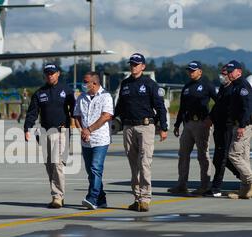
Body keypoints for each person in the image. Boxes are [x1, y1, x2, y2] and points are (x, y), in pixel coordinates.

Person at [114, 53, 168, 212]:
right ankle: (137, 198)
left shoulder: (150, 84)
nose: (133, 66)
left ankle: (145, 198)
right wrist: (110, 119)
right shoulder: (125, 84)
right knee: (134, 165)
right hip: (128, 127)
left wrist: (163, 127)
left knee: (144, 163)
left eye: (137, 64)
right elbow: (119, 107)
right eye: (131, 64)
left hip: (145, 127)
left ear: (143, 66)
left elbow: (160, 107)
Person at [24, 64, 75, 208]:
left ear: (58, 73)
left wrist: (81, 126)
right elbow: (32, 113)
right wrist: (27, 128)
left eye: (52, 73)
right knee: (49, 165)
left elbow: (75, 110)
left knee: (58, 163)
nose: (50, 76)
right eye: (47, 73)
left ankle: (57, 196)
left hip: (62, 132)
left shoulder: (66, 90)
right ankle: (58, 194)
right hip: (45, 132)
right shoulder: (40, 93)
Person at [168, 61, 217, 195]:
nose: (191, 72)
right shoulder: (187, 87)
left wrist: (211, 117)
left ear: (200, 71)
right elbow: (182, 107)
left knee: (202, 155)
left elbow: (219, 102)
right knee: (183, 154)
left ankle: (205, 185)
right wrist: (177, 124)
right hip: (188, 124)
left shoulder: (207, 85)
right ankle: (182, 184)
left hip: (202, 124)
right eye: (189, 70)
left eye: (193, 70)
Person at [74, 72, 113, 210]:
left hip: (100, 139)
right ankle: (102, 199)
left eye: (86, 82)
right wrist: (82, 131)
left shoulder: (105, 97)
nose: (83, 84)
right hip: (86, 140)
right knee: (90, 171)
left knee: (96, 168)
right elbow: (77, 116)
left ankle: (92, 198)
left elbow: (106, 116)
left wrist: (89, 129)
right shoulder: (81, 98)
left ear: (94, 83)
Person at [204, 65, 241, 197]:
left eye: (225, 74)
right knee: (219, 159)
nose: (222, 76)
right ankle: (243, 177)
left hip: (227, 127)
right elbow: (217, 106)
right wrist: (211, 117)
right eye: (222, 73)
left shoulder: (233, 90)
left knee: (222, 158)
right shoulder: (222, 88)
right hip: (218, 127)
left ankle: (216, 187)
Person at [225, 60, 252, 199]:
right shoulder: (235, 86)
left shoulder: (242, 86)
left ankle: (249, 179)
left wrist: (242, 125)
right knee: (243, 156)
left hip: (244, 126)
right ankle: (245, 190)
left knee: (233, 155)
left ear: (239, 72)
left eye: (231, 71)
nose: (229, 73)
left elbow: (247, 108)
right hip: (238, 125)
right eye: (228, 71)